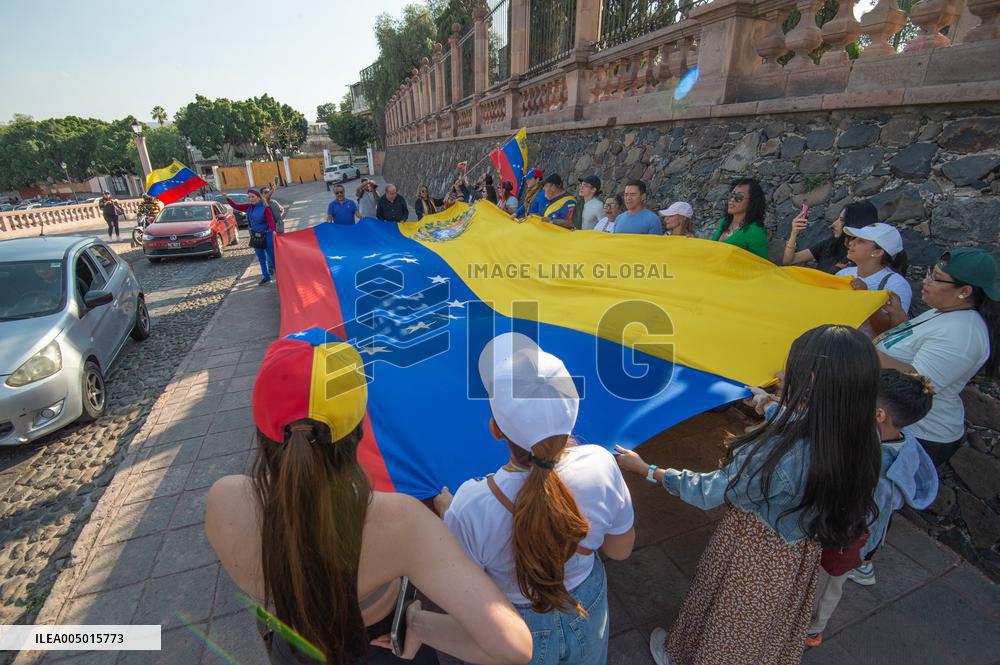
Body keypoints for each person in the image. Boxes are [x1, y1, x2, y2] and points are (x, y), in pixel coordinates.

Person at [205, 335, 533, 665]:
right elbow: (513, 647)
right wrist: (418, 623)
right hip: (383, 650)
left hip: (290, 650)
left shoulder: (224, 501)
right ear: (359, 427)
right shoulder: (401, 521)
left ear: (262, 429)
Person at [616, 324, 882, 665]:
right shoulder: (863, 434)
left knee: (729, 617)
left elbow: (709, 491)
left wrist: (646, 469)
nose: (781, 375)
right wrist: (765, 403)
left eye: (791, 368)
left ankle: (687, 656)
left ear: (812, 381)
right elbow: (809, 423)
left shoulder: (778, 453)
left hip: (753, 552)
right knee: (759, 627)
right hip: (795, 554)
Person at [436, 333, 635, 665]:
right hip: (586, 608)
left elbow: (463, 593)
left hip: (514, 628)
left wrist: (448, 514)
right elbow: (619, 550)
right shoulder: (601, 463)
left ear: (495, 429)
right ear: (572, 414)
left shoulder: (470, 505)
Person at [805, 369, 938, 648]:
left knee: (828, 583)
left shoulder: (880, 469)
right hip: (851, 531)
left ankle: (813, 629)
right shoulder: (901, 439)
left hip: (846, 538)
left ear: (879, 414)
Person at [876, 247, 1000, 466]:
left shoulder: (962, 334)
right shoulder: (944, 310)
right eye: (929, 274)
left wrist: (860, 349)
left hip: (919, 435)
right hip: (896, 425)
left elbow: (917, 384)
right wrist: (898, 316)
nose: (926, 281)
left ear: (965, 291)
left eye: (936, 278)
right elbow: (913, 345)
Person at [837, 223, 911, 337]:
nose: (851, 243)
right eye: (854, 239)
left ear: (877, 252)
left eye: (861, 241)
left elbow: (894, 332)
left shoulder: (896, 284)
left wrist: (866, 297)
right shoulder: (843, 274)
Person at [783, 201, 878, 272]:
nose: (834, 224)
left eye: (841, 220)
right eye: (838, 219)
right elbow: (789, 260)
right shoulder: (831, 243)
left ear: (855, 223)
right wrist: (794, 233)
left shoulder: (865, 257)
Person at [227, 189, 277, 285]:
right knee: (261, 257)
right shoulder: (248, 207)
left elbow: (270, 220)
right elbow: (235, 206)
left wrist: (273, 231)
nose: (251, 199)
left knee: (272, 257)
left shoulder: (265, 207)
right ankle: (266, 277)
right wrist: (227, 198)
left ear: (258, 198)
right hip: (255, 236)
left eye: (253, 197)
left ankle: (280, 275)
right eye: (249, 197)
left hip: (267, 235)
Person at [711, 178, 768, 259]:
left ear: (752, 202)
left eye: (739, 197)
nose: (732, 200)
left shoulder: (755, 231)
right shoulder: (724, 222)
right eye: (731, 195)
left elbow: (762, 263)